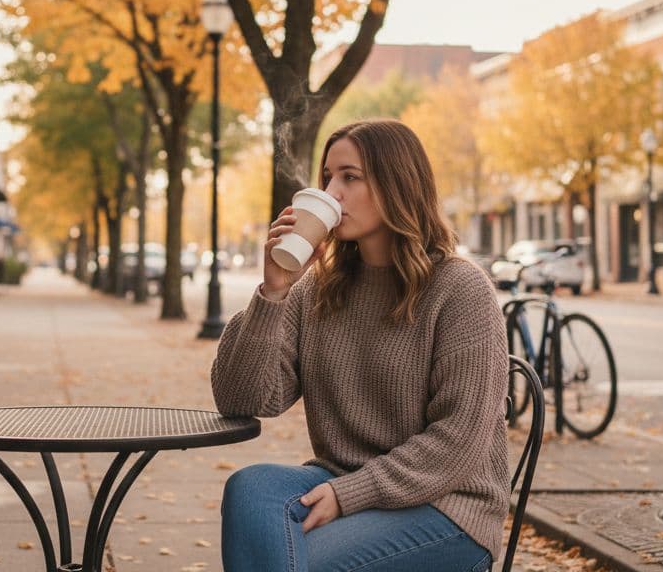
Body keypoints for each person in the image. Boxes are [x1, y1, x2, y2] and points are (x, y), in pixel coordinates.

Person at [211, 118, 508, 572]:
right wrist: (273, 291)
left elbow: (457, 442)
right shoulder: (318, 289)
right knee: (251, 487)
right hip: (340, 480)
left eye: (350, 177)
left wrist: (350, 494)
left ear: (396, 185)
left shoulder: (459, 289)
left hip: (447, 509)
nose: (332, 193)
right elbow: (241, 397)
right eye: (328, 178)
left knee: (300, 563)